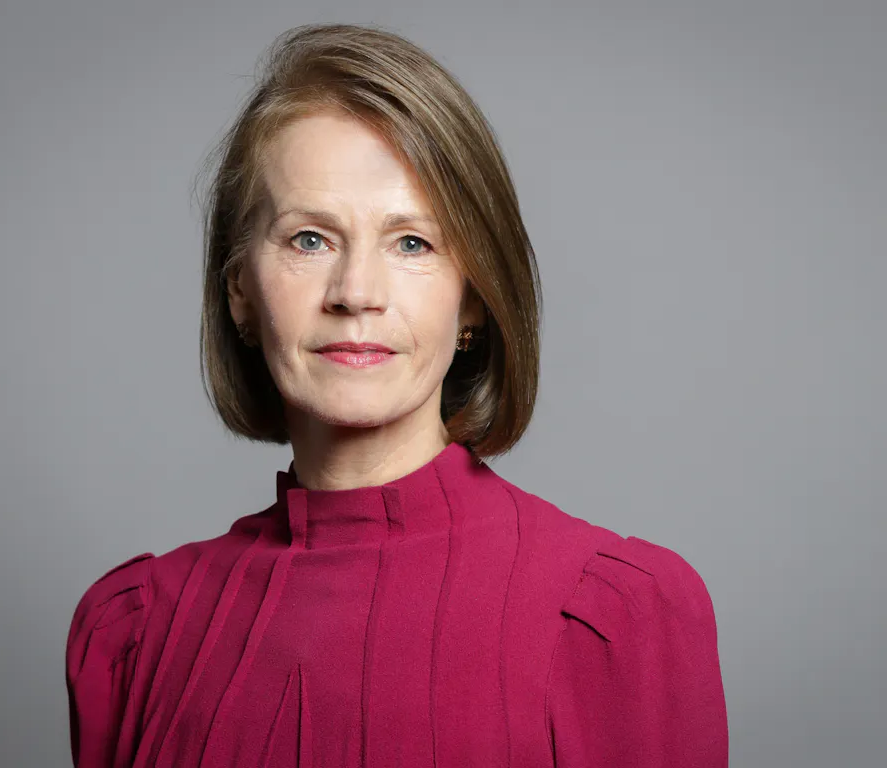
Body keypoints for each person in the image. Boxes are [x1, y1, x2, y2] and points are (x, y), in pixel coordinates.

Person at [65, 22, 728, 768]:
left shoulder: (617, 619)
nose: (356, 293)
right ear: (241, 295)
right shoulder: (136, 634)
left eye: (412, 243)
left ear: (473, 302)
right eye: (309, 239)